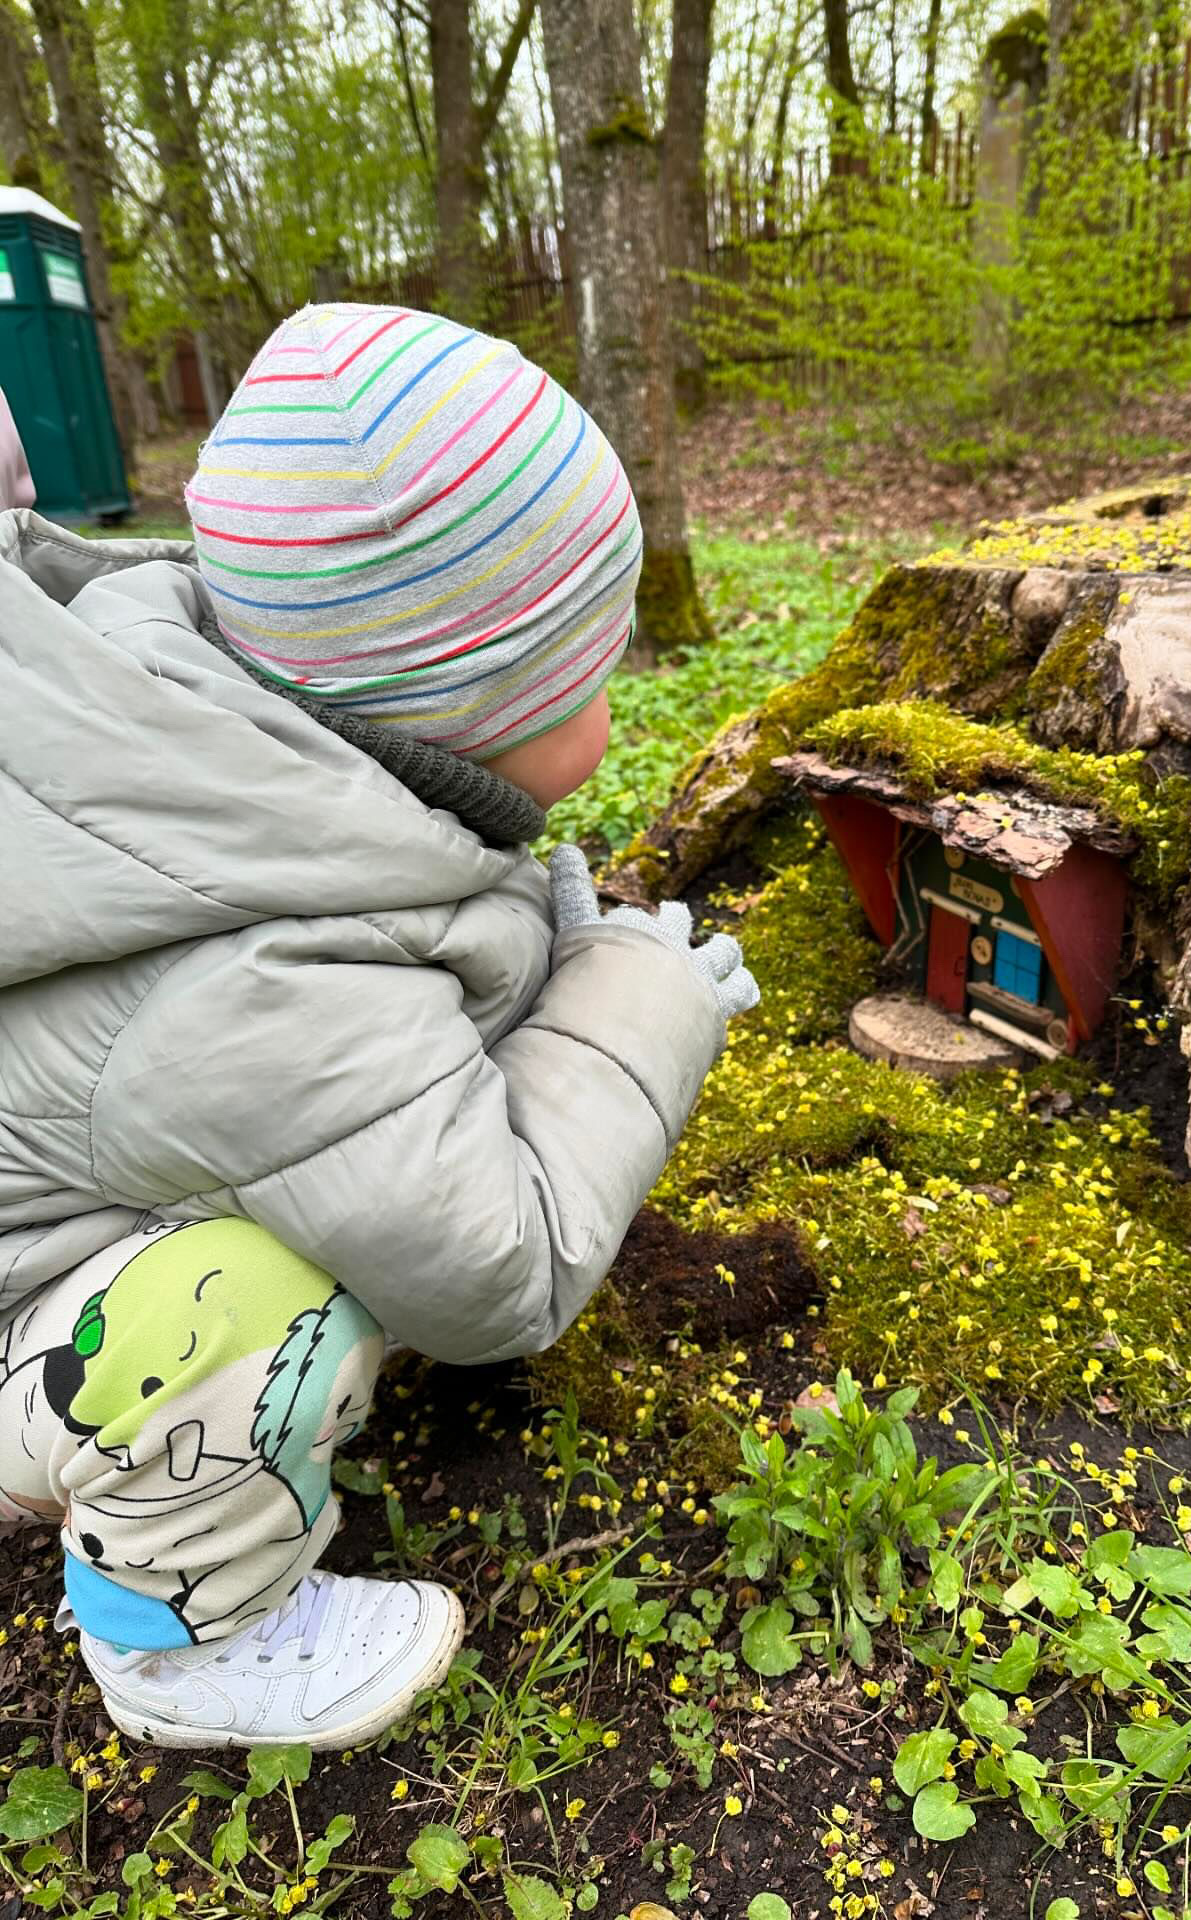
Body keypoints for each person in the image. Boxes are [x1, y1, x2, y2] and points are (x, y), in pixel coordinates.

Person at [0, 303, 758, 1750]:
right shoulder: (254, 971)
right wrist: (635, 991)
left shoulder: (242, 760)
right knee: (231, 1314)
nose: (611, 693)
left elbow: (403, 1039)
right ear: (461, 708)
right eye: (586, 670)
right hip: (23, 1319)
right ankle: (188, 1641)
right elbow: (496, 1267)